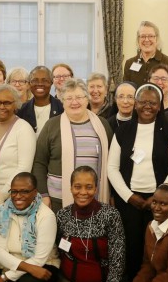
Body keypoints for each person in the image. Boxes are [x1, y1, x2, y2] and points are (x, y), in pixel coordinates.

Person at [108, 83, 168, 282]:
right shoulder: (123, 131)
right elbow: (112, 168)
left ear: (160, 106)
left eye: (153, 102)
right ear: (135, 104)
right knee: (131, 247)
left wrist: (158, 196)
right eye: (143, 102)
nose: (147, 106)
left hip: (160, 202)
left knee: (157, 247)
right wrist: (129, 196)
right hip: (128, 201)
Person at [47, 167, 126, 282]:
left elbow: (118, 262)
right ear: (70, 188)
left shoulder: (111, 216)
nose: (83, 192)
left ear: (96, 188)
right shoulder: (62, 216)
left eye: (89, 187)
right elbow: (57, 251)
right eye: (77, 187)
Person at [33, 78, 113, 212]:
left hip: (96, 198)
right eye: (69, 98)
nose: (74, 102)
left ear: (87, 99)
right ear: (62, 101)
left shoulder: (103, 124)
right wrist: (44, 195)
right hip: (57, 201)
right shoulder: (51, 126)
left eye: (79, 97)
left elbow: (112, 163)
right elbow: (39, 163)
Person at [0, 85, 36, 191]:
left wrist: (2, 194)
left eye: (7, 103)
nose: (1, 107)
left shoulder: (24, 129)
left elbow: (23, 168)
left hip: (13, 193)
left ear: (16, 105)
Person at [122, 20, 168, 88]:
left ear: (156, 39)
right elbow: (126, 90)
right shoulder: (129, 63)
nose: (146, 40)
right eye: (143, 36)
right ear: (138, 39)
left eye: (150, 36)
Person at [17, 66, 63, 133]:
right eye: (35, 80)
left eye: (45, 81)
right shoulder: (21, 110)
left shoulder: (62, 108)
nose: (40, 84)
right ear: (29, 83)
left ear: (51, 82)